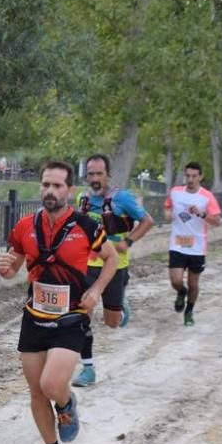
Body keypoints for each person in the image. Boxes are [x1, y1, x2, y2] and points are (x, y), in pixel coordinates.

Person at [0, 161, 118, 444]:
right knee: (36, 389)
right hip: (34, 316)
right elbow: (13, 269)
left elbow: (112, 258)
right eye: (46, 185)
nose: (50, 191)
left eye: (58, 186)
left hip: (71, 316)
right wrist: (6, 268)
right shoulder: (25, 226)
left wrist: (97, 291)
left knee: (52, 384)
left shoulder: (85, 226)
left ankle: (65, 404)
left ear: (70, 190)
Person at [72, 154, 154, 387]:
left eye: (99, 174)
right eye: (91, 174)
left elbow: (147, 220)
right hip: (87, 266)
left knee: (112, 322)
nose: (95, 179)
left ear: (108, 175)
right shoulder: (83, 199)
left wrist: (127, 242)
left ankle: (121, 304)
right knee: (81, 317)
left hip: (116, 266)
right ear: (86, 176)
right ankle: (88, 369)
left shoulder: (123, 198)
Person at [164, 162, 222, 327]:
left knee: (193, 283)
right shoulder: (175, 192)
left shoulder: (207, 196)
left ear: (200, 177)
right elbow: (167, 207)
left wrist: (201, 213)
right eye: (188, 176)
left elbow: (217, 221)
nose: (190, 179)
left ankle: (189, 311)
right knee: (175, 280)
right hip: (177, 244)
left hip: (197, 247)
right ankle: (181, 292)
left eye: (194, 176)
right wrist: (168, 215)